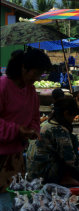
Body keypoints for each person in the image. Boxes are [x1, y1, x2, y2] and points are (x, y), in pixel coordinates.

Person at [0, 49, 52, 192]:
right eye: (34, 73)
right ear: (23, 68)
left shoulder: (31, 91)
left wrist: (33, 130)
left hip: (16, 157)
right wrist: (17, 130)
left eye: (39, 75)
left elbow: (35, 117)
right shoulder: (3, 85)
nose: (36, 78)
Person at [27, 98, 79, 186]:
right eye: (73, 116)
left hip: (32, 173)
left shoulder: (45, 123)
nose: (73, 119)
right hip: (43, 176)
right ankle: (65, 180)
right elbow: (70, 161)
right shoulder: (58, 129)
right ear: (66, 113)